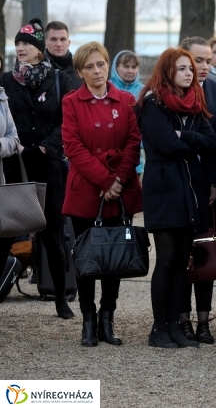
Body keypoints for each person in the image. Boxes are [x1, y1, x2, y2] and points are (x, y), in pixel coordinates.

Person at [60, 41, 143, 347]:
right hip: (87, 189)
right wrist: (105, 180)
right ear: (80, 72)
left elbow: (134, 141)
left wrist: (118, 179)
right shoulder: (72, 102)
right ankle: (88, 320)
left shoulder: (126, 100)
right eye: (89, 67)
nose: (97, 71)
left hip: (120, 190)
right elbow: (73, 147)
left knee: (114, 257)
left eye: (101, 64)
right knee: (86, 258)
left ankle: (107, 318)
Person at [137, 47, 216, 349]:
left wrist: (185, 136)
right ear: (168, 71)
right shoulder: (153, 103)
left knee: (183, 259)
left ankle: (174, 326)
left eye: (190, 69)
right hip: (163, 187)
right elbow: (166, 144)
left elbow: (211, 143)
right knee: (167, 258)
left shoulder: (194, 102)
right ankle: (159, 328)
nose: (188, 73)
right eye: (182, 68)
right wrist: (187, 143)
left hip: (189, 188)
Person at [0, 18, 74, 319]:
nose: (21, 48)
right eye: (18, 43)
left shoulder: (59, 80)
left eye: (27, 44)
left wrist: (45, 147)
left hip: (49, 166)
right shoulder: (6, 81)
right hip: (14, 166)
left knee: (52, 235)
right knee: (5, 233)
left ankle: (61, 299)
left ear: (39, 49)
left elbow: (67, 122)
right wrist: (16, 146)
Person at [178, 37, 216, 345]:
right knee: (180, 253)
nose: (203, 66)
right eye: (196, 60)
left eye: (207, 61)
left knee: (206, 249)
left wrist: (214, 182)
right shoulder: (169, 93)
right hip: (179, 184)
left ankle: (203, 321)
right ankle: (182, 318)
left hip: (211, 184)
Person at [45, 20, 82, 91]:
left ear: (69, 43)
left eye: (63, 39)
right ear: (45, 43)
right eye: (53, 39)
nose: (59, 44)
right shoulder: (37, 70)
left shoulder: (80, 69)